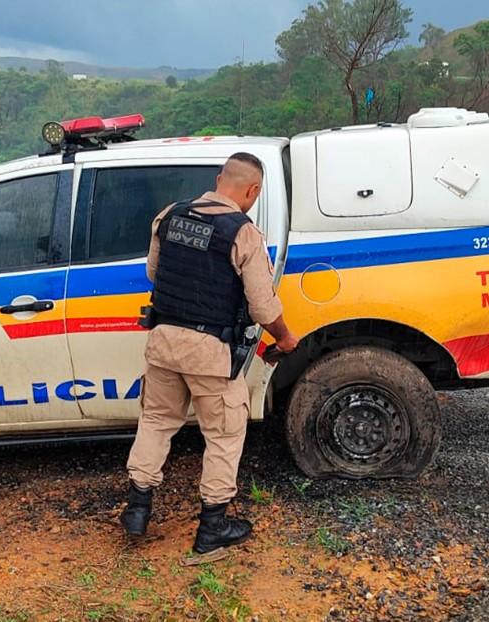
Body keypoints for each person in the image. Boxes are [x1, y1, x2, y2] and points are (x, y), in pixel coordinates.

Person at [121, 152, 299, 558]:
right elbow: (262, 307)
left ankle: (137, 507)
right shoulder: (243, 233)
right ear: (253, 190)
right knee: (222, 435)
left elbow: (155, 273)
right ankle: (213, 528)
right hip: (210, 351)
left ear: (220, 179)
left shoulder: (169, 216)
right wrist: (286, 339)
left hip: (163, 340)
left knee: (156, 420)